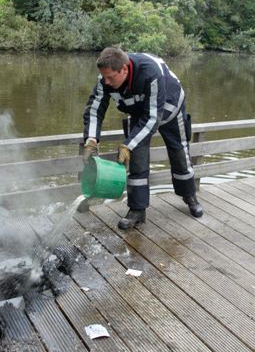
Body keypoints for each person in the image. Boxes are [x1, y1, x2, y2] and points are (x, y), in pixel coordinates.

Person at [82, 47, 203, 229]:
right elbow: (94, 109)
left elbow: (153, 117)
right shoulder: (105, 78)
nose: (105, 82)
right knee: (136, 158)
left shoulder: (150, 73)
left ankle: (189, 196)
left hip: (170, 109)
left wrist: (128, 144)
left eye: (110, 78)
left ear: (124, 69)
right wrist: (91, 139)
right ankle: (137, 210)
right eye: (103, 77)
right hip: (139, 113)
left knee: (179, 153)